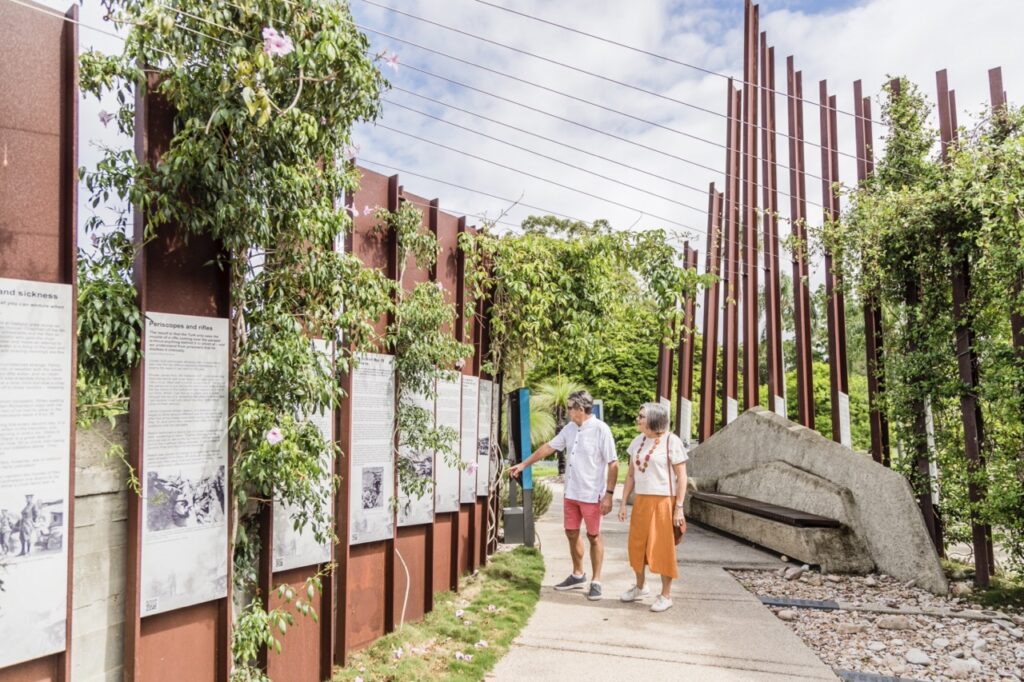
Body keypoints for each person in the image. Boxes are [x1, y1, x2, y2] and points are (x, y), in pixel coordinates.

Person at [510, 390, 618, 600]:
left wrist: (609, 495)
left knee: (594, 536)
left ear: (580, 409)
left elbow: (614, 463)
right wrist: (524, 464)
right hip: (571, 493)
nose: (566, 411)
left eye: (569, 407)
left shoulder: (601, 430)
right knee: (571, 532)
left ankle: (596, 580)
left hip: (591, 494)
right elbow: (549, 447)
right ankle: (578, 575)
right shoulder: (570, 428)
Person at [617, 402, 688, 612]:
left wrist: (679, 507)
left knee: (662, 548)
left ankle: (666, 595)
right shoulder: (637, 441)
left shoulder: (671, 441)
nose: (638, 419)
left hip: (664, 501)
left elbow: (682, 476)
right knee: (636, 546)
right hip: (642, 501)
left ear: (654, 419)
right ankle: (640, 586)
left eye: (641, 416)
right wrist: (622, 503)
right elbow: (630, 475)